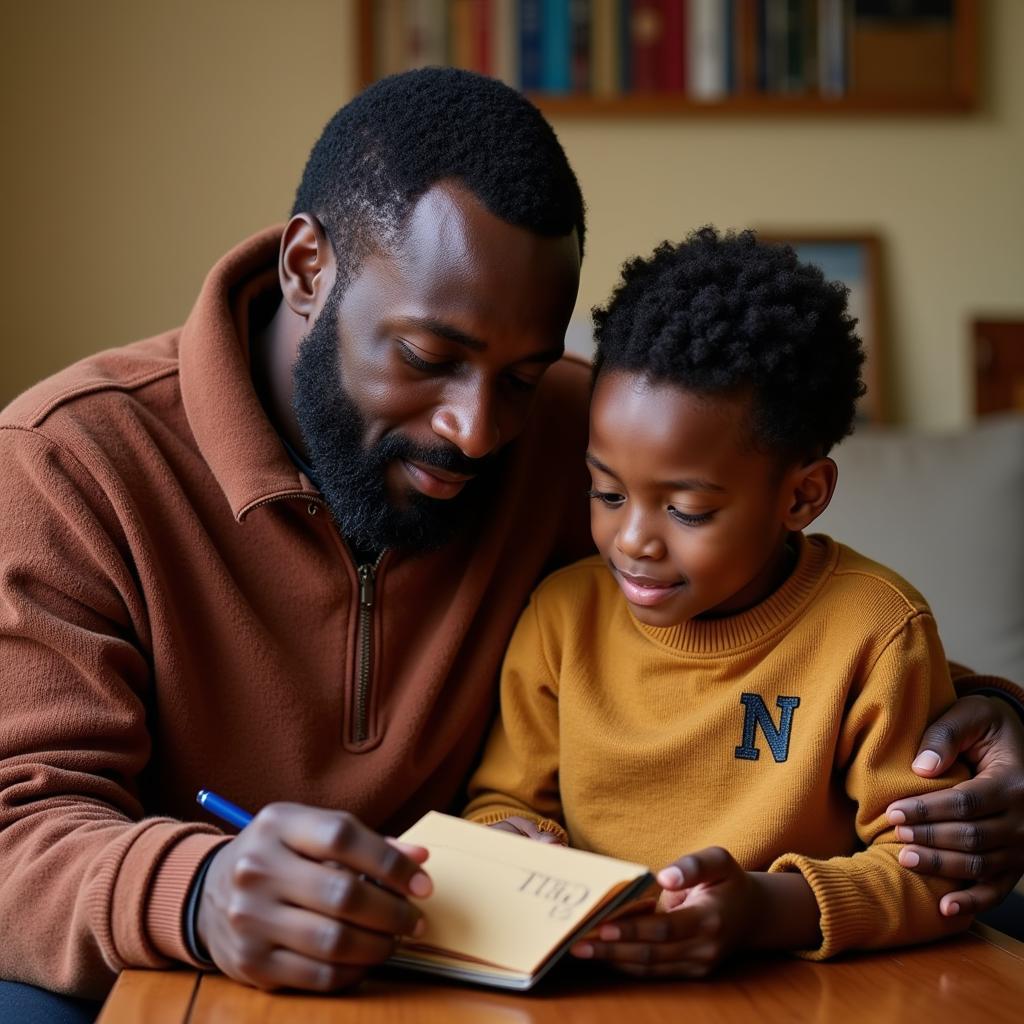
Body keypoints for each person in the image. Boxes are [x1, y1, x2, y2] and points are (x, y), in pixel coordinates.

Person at [0, 70, 1021, 1020]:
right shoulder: (69, 465)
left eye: (525, 375)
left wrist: (991, 725)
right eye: (427, 357)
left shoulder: (586, 439)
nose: (479, 430)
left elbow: (791, 624)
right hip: (206, 968)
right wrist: (199, 892)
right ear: (308, 266)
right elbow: (18, 832)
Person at [463, 227, 1024, 975]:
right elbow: (501, 803)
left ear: (802, 497)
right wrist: (508, 840)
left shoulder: (875, 631)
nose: (632, 540)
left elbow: (933, 868)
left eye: (686, 510)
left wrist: (762, 910)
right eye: (606, 491)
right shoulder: (562, 619)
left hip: (797, 988)